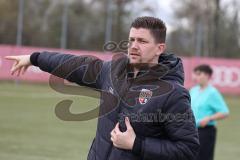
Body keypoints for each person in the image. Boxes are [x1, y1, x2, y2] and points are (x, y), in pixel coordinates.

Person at [5, 16, 199, 160]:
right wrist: (35, 58)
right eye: (131, 39)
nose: (133, 46)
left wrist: (136, 144)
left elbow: (187, 150)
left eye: (142, 41)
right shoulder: (114, 71)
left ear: (160, 48)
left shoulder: (173, 93)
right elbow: (76, 66)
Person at [190, 64, 230, 160]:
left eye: (199, 74)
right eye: (195, 74)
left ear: (207, 75)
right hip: (191, 131)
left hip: (205, 131)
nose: (196, 77)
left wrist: (209, 118)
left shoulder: (212, 93)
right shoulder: (193, 90)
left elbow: (224, 112)